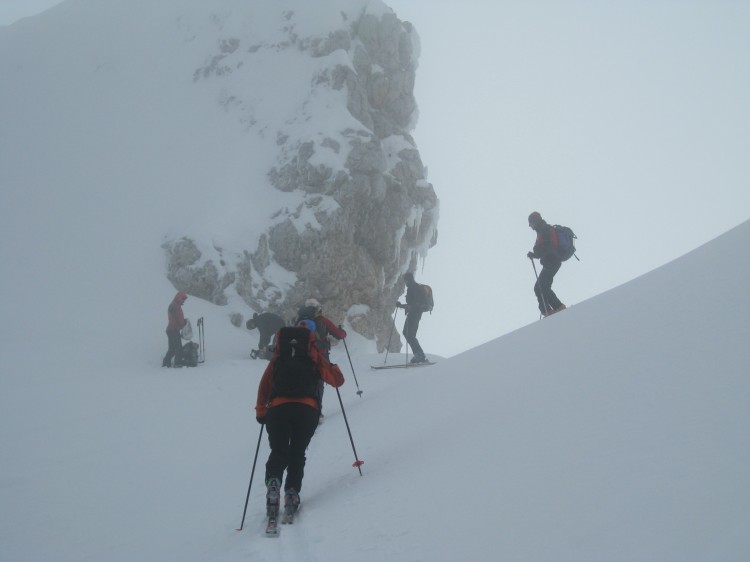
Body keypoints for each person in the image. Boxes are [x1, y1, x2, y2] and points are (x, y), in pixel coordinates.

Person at [255, 321, 345, 518]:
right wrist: (333, 367)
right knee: (297, 452)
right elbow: (337, 381)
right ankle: (292, 492)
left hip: (278, 409)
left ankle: (273, 484)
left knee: (278, 451)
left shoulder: (279, 357)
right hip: (306, 410)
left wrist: (261, 411)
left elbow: (265, 385)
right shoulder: (313, 356)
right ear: (310, 339)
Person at [297, 299, 347, 417]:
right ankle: (316, 412)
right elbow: (339, 334)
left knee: (302, 381)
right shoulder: (322, 320)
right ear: (318, 308)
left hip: (301, 355)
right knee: (319, 382)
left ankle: (301, 409)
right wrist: (343, 332)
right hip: (320, 355)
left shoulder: (298, 320)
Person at [527, 211, 567, 316]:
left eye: (531, 223)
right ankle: (554, 309)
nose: (530, 226)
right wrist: (535, 253)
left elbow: (547, 246)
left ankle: (551, 310)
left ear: (535, 221)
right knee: (542, 286)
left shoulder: (544, 229)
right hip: (552, 261)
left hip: (552, 261)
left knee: (540, 287)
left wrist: (535, 254)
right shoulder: (542, 230)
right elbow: (543, 248)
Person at [396, 271, 429, 363]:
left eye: (405, 280)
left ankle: (420, 355)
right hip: (414, 313)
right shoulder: (413, 287)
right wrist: (401, 306)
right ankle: (419, 355)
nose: (405, 282)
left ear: (408, 279)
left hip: (415, 314)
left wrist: (409, 307)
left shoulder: (414, 287)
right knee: (408, 334)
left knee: (409, 334)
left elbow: (416, 303)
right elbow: (412, 304)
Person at [162, 291, 188, 367]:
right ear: (179, 298)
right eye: (183, 299)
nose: (184, 301)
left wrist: (183, 322)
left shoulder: (175, 305)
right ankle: (177, 363)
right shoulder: (175, 306)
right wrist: (184, 323)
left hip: (171, 329)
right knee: (178, 347)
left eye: (184, 299)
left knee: (172, 348)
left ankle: (166, 363)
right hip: (173, 330)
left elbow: (177, 319)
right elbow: (177, 319)